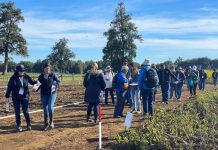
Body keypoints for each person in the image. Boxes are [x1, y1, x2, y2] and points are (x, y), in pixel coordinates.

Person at [5, 64, 37, 132]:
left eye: (23, 70)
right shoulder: (13, 78)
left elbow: (32, 82)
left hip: (25, 96)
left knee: (25, 111)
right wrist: (7, 95)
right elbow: (9, 88)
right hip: (16, 97)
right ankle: (19, 125)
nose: (22, 72)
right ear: (17, 71)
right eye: (21, 71)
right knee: (17, 112)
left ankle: (28, 124)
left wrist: (38, 82)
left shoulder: (26, 76)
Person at [38, 63, 60, 130]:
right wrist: (35, 88)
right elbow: (38, 84)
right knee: (45, 109)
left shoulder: (53, 75)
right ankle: (46, 124)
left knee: (50, 107)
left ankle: (51, 122)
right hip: (44, 94)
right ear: (43, 69)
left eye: (48, 68)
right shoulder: (41, 76)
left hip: (52, 94)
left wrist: (57, 84)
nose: (47, 69)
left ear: (50, 68)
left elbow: (58, 81)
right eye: (46, 68)